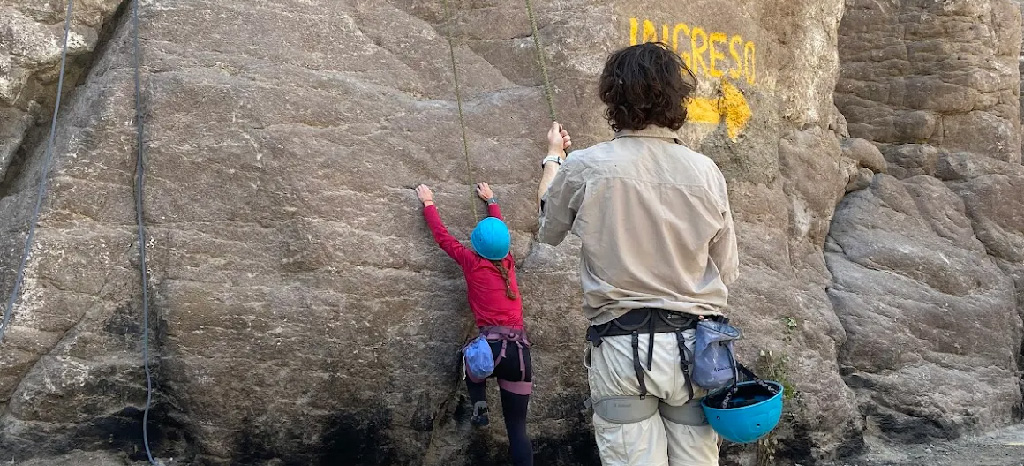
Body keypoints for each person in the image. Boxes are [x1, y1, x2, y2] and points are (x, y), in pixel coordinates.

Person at [536, 42, 739, 466]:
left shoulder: (587, 165)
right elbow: (727, 270)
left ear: (613, 98)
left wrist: (554, 161)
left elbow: (548, 229)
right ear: (678, 98)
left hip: (621, 348)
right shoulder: (706, 172)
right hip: (696, 352)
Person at [415, 182, 534, 466]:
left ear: (477, 247)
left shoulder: (471, 262)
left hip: (490, 350)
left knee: (472, 359)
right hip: (520, 355)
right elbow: (499, 231)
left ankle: (479, 402)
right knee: (517, 429)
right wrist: (491, 200)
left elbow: (444, 239)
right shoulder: (507, 262)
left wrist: (429, 204)